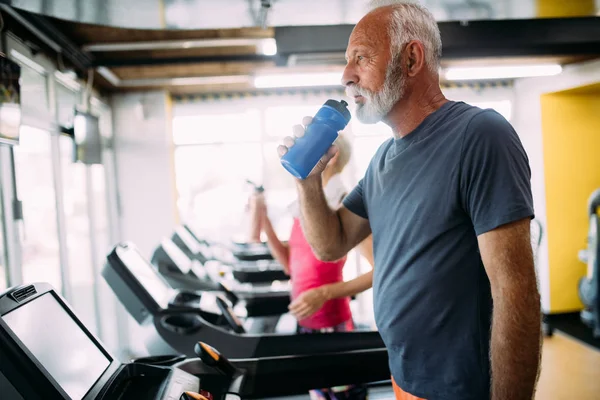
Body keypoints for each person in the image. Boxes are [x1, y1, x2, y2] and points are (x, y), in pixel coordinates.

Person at [276, 1, 542, 400]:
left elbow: (516, 293)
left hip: (460, 389)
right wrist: (308, 182)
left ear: (412, 58)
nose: (346, 75)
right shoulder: (384, 159)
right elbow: (330, 244)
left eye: (361, 58)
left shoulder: (480, 135)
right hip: (404, 378)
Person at [250, 133, 375, 400]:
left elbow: (381, 270)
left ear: (332, 156)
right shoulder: (307, 206)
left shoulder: (345, 203)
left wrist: (324, 293)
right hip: (305, 323)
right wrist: (262, 219)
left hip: (331, 324)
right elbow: (289, 265)